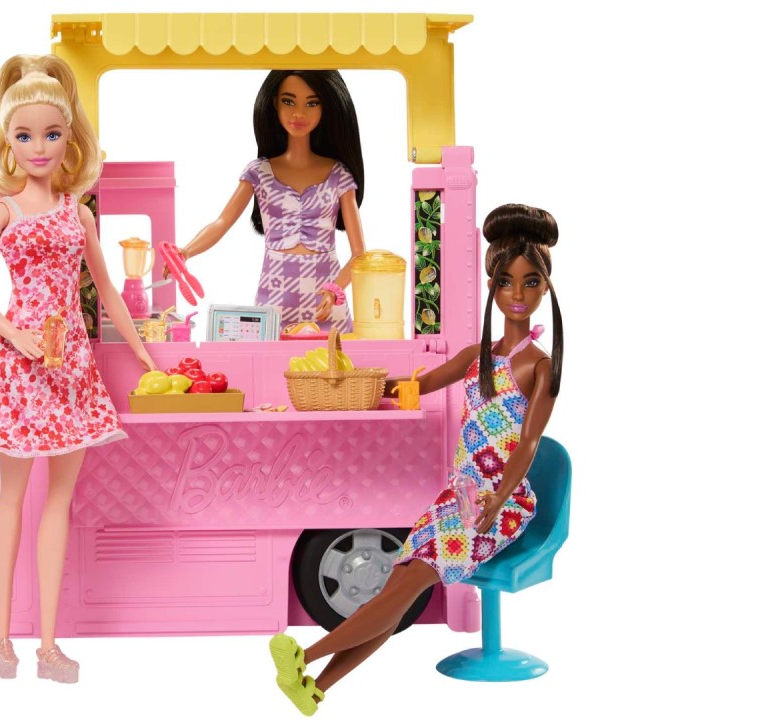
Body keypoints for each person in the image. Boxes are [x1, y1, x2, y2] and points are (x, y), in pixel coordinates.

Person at [268, 204, 565, 715]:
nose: (517, 294)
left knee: (407, 582)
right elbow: (414, 386)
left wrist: (496, 503)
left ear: (545, 288)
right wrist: (353, 380)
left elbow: (529, 444)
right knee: (398, 586)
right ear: (492, 287)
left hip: (501, 505)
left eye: (530, 282)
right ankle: (314, 688)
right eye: (506, 282)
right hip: (459, 496)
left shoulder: (540, 367)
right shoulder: (476, 357)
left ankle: (306, 658)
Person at [0, 54, 158, 684]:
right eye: (24, 136)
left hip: (71, 369)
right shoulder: (3, 210)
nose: (38, 147)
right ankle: (0, 637)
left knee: (59, 503)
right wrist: (14, 333)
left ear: (70, 138)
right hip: (21, 372)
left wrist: (143, 353)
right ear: (7, 141)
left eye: (50, 134)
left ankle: (47, 644)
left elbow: (107, 290)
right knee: (11, 499)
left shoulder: (79, 212)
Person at [172, 70, 367, 333]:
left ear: (326, 107)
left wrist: (335, 290)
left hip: (326, 303)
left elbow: (359, 253)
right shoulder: (259, 173)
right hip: (275, 301)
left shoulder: (338, 175)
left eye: (312, 103)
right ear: (274, 103)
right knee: (269, 356)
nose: (299, 113)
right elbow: (222, 222)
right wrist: (185, 252)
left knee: (334, 359)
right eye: (289, 101)